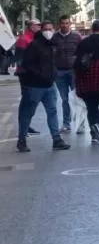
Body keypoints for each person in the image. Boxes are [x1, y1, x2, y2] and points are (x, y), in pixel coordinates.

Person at [17, 20, 71, 152]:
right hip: (34, 85)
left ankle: (56, 140)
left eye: (51, 29)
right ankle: (22, 140)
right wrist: (40, 75)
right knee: (27, 114)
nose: (49, 31)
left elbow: (54, 62)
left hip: (49, 86)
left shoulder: (53, 44)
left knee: (52, 112)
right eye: (46, 29)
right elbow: (26, 64)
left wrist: (54, 74)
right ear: (41, 30)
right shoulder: (35, 45)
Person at [54, 15, 82, 132]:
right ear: (59, 24)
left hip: (73, 71)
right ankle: (66, 123)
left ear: (70, 24)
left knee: (77, 98)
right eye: (62, 23)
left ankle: (80, 124)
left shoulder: (76, 36)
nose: (64, 25)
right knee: (65, 99)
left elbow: (82, 52)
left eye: (66, 23)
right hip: (59, 72)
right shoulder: (54, 37)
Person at [15, 19, 43, 136]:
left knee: (32, 102)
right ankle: (24, 127)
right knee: (27, 101)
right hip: (26, 74)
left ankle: (26, 125)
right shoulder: (23, 39)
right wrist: (28, 70)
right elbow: (19, 59)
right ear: (31, 26)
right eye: (38, 25)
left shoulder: (35, 38)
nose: (40, 27)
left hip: (33, 74)